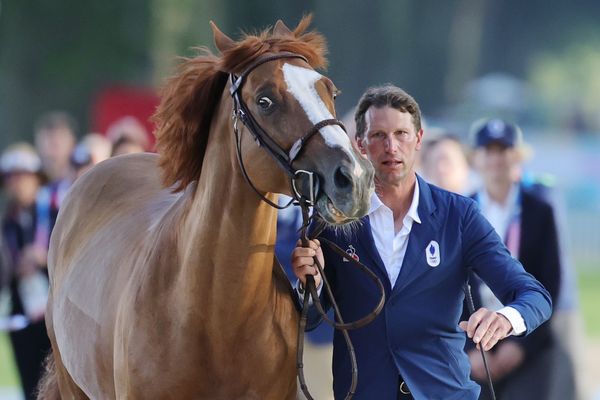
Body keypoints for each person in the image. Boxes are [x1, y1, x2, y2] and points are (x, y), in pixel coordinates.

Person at [291, 85, 552, 399]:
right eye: (378, 136)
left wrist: (505, 318)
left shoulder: (460, 215)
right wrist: (313, 283)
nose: (391, 147)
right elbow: (309, 318)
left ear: (418, 140)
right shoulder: (334, 221)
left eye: (401, 134)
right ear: (360, 144)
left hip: (445, 392)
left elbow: (534, 295)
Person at [468, 118, 575, 400]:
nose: (496, 159)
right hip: (475, 348)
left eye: (503, 150)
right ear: (475, 158)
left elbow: (551, 281)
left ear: (516, 156)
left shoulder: (540, 210)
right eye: (488, 150)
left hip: (529, 343)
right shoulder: (462, 211)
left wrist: (521, 345)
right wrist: (469, 349)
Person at [0, 143, 52, 400]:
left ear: (36, 178)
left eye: (23, 175)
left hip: (52, 316)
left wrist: (45, 259)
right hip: (21, 315)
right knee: (29, 389)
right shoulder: (6, 222)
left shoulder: (54, 213)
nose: (17, 183)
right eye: (11, 177)